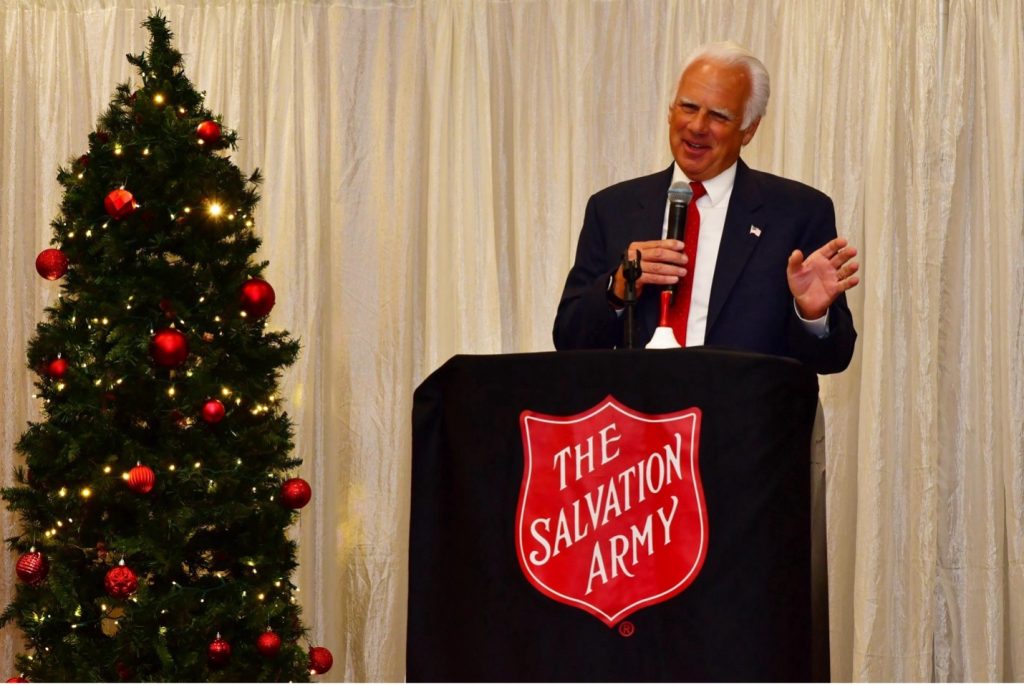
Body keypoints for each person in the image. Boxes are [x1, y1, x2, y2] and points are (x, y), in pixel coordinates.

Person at [553, 41, 860, 374]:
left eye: (718, 115)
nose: (697, 126)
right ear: (670, 111)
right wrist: (615, 290)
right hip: (643, 419)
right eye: (688, 107)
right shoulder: (613, 209)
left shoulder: (798, 213)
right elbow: (570, 340)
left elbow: (833, 358)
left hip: (744, 420)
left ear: (749, 129)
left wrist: (811, 315)